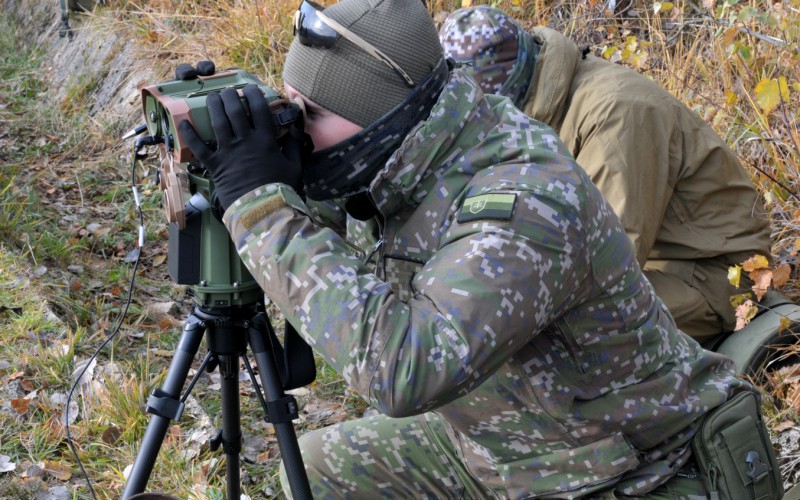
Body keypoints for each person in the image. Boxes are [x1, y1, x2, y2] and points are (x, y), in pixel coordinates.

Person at [177, 0, 769, 497]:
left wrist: (262, 208)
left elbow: (406, 371)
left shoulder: (523, 196)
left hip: (622, 465)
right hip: (501, 440)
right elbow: (331, 264)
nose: (295, 127)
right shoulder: (401, 158)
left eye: (310, 114)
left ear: (386, 116)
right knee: (320, 470)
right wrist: (254, 168)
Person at [438, 6, 773, 344]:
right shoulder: (541, 105)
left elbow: (610, 257)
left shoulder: (615, 113)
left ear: (508, 88)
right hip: (653, 261)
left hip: (713, 276)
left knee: (552, 339)